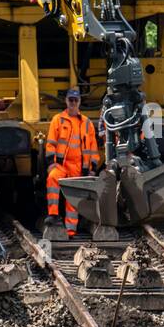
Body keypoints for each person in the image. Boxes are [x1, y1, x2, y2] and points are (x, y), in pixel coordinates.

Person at [44, 87, 100, 238]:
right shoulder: (58, 120)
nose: (73, 103)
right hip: (61, 166)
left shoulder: (87, 123)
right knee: (52, 179)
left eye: (76, 100)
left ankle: (70, 231)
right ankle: (53, 215)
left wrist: (93, 168)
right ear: (66, 101)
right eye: (71, 100)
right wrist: (51, 164)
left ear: (79, 102)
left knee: (73, 199)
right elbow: (50, 143)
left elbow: (93, 148)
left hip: (79, 168)